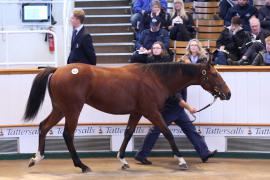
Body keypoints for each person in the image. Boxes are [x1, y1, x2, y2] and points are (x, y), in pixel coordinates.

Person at [134, 43, 217, 165]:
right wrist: (189, 107)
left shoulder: (182, 77)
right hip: (170, 108)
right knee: (158, 130)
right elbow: (176, 96)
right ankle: (141, 154)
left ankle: (204, 153)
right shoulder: (175, 78)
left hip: (177, 110)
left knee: (189, 130)